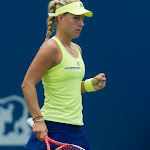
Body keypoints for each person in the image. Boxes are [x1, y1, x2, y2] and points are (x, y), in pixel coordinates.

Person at [21, 0, 106, 149]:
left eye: (82, 19)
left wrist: (90, 85)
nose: (81, 24)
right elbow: (27, 83)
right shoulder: (51, 48)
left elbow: (68, 88)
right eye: (76, 18)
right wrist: (39, 120)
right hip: (54, 126)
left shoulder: (77, 49)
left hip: (77, 127)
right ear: (60, 18)